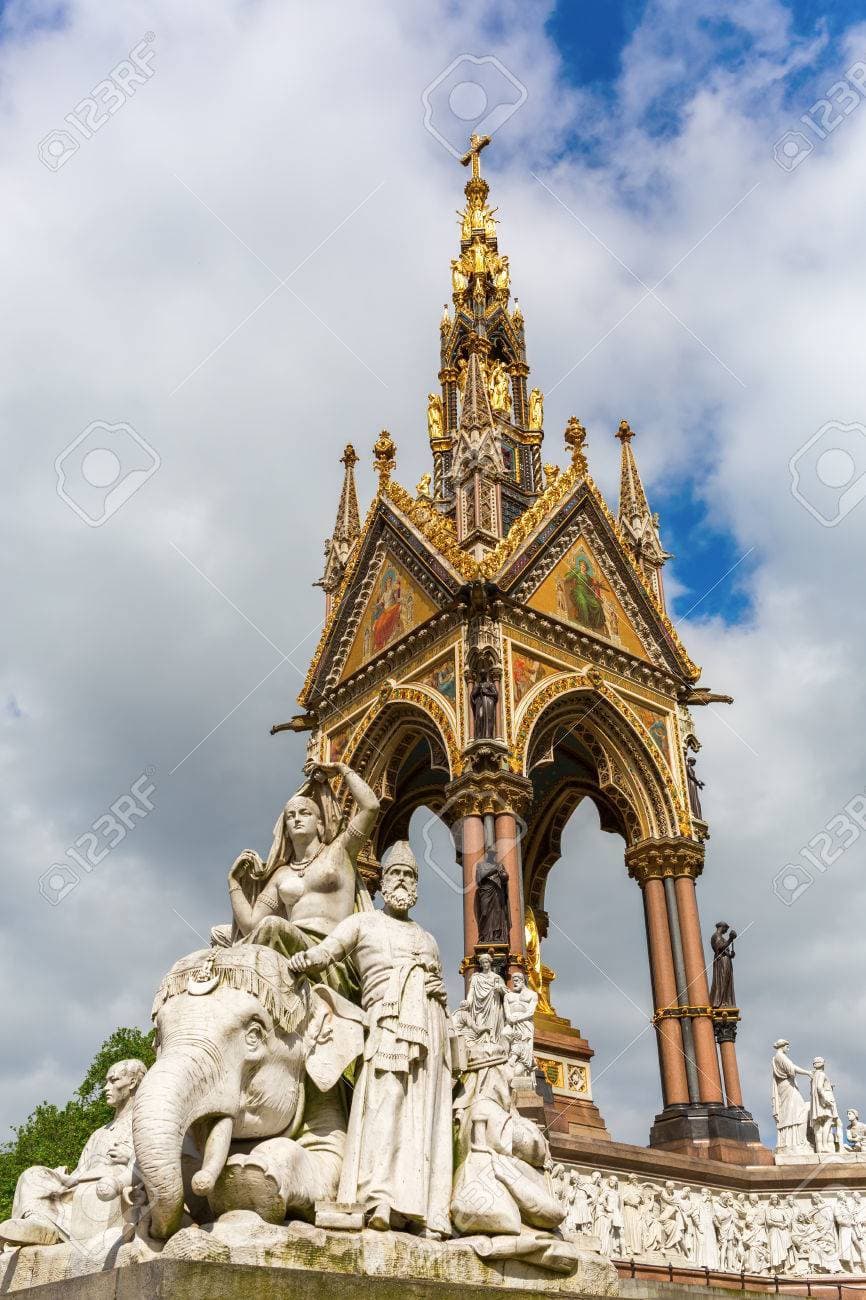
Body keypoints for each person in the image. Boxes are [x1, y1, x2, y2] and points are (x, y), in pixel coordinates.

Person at [288, 842, 452, 1237]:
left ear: (416, 885)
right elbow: (326, 953)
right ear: (383, 882)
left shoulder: (427, 938)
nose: (402, 881)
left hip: (428, 1031)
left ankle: (418, 1207)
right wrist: (301, 960)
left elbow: (437, 983)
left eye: (409, 875)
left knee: (422, 1116)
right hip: (385, 1025)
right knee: (385, 1103)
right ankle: (377, 1196)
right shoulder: (364, 923)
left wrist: (438, 991)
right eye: (395, 873)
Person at [215, 762, 378, 968]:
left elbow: (371, 807)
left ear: (320, 824)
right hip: (291, 949)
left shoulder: (340, 851)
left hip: (329, 952)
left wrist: (340, 768)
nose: (297, 819)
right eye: (291, 816)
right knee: (222, 933)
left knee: (271, 925)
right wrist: (233, 883)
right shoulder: (282, 874)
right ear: (286, 830)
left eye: (304, 813)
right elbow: (250, 926)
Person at [0, 1060, 147, 1247]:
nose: (105, 1088)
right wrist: (58, 1176)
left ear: (133, 1083)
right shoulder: (100, 1133)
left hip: (112, 1192)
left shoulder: (144, 1123)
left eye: (113, 1080)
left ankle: (48, 1227)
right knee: (33, 1174)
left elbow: (158, 1164)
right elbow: (79, 1174)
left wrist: (130, 1158)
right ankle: (40, 1224)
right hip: (80, 1189)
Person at [771, 1039, 813, 1152]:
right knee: (799, 1111)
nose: (788, 1049)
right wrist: (807, 1073)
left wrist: (807, 1072)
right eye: (787, 1046)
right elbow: (791, 1069)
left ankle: (792, 1140)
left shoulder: (778, 1057)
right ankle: (798, 1141)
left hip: (785, 1086)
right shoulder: (780, 1056)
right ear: (783, 1046)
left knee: (791, 1112)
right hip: (788, 1087)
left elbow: (792, 1066)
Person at [466, 950, 507, 1048]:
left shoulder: (496, 977)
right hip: (478, 1007)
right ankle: (481, 1047)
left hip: (493, 1005)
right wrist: (467, 1003)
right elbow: (471, 992)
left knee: (491, 1027)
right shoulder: (476, 977)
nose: (485, 964)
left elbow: (506, 993)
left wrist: (499, 989)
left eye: (487, 962)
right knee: (479, 1024)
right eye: (483, 963)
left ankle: (491, 1046)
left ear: (490, 962)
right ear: (480, 964)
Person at [502, 970, 538, 1074]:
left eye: (517, 981)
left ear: (522, 981)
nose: (514, 983)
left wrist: (517, 1018)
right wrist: (510, 1018)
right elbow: (507, 1011)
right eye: (513, 981)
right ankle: (504, 1059)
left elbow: (531, 1012)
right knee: (504, 1034)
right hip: (511, 1022)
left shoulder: (532, 994)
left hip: (525, 1023)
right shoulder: (508, 996)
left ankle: (522, 1065)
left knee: (524, 1043)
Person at [809, 1057, 839, 1153]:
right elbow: (819, 1088)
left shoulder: (815, 1075)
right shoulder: (821, 1074)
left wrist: (829, 1086)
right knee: (828, 1120)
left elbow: (815, 1088)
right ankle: (825, 1145)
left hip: (817, 1101)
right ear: (821, 1064)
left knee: (818, 1124)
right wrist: (826, 1100)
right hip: (824, 1100)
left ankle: (819, 1147)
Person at [709, 921, 737, 1007]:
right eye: (726, 929)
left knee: (727, 980)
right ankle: (718, 1001)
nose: (726, 931)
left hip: (726, 960)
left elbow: (725, 949)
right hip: (721, 961)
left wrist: (731, 955)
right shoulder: (715, 936)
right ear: (722, 927)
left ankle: (726, 1001)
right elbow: (720, 947)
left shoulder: (722, 938)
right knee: (722, 980)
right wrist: (730, 939)